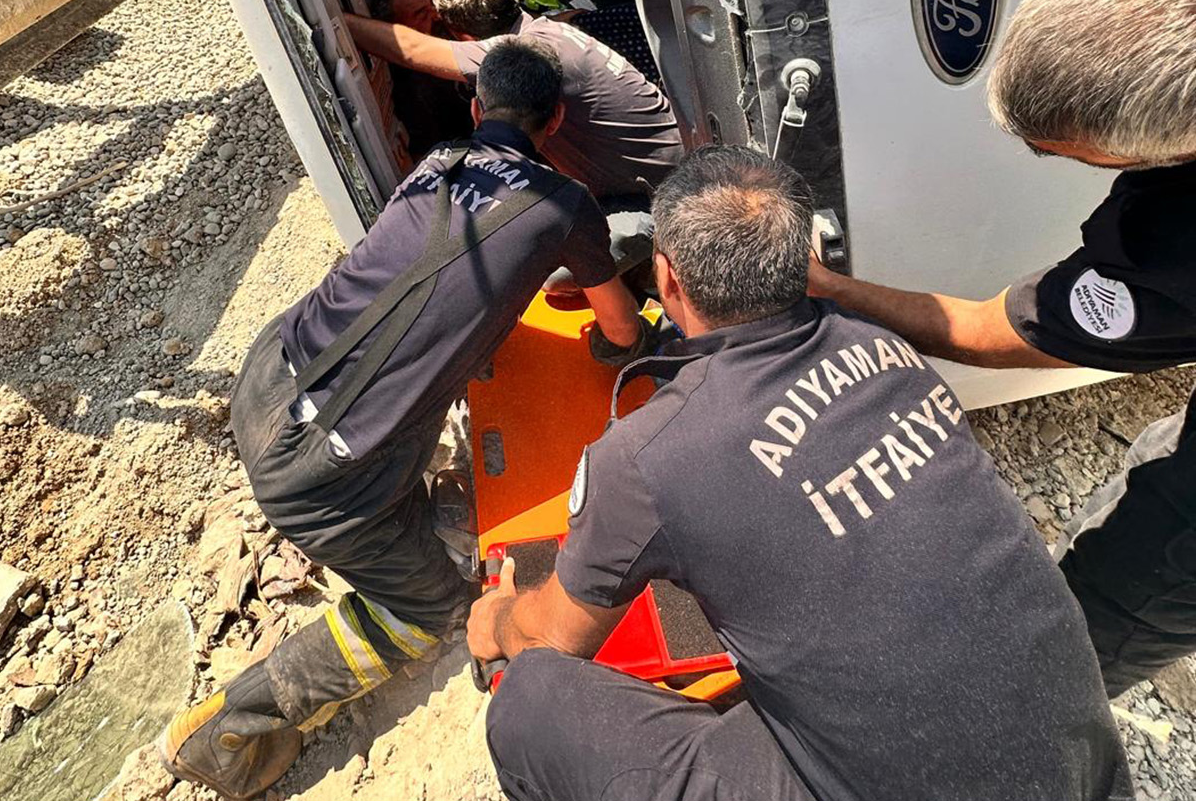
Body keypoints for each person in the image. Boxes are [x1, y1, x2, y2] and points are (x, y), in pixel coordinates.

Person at [467, 145, 1133, 801]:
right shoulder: (885, 347)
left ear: (667, 279)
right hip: (1083, 766)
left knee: (530, 701)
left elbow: (554, 637)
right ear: (804, 262)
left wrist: (497, 620)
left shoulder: (647, 458)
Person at [158, 39, 650, 800]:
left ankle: (408, 520)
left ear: (480, 110)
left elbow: (434, 275)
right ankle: (232, 729)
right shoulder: (563, 205)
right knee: (434, 612)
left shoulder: (439, 161)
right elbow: (621, 333)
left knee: (431, 474)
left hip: (265, 382)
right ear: (555, 120)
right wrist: (637, 333)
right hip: (321, 473)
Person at [808, 0, 1196, 697]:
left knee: (1129, 590)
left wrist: (831, 289)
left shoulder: (1171, 252)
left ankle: (1032, 703)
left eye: (1060, 153)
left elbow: (990, 331)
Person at [344, 0, 685, 291]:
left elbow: (415, 50)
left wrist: (336, 21)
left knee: (554, 279)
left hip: (661, 194)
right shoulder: (547, 30)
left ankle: (649, 269)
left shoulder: (525, 51)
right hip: (667, 164)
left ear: (463, 36)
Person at [371, 0, 474, 159]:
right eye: (421, 14)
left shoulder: (458, 30)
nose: (435, 15)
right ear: (398, 29)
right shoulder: (413, 91)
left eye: (431, 5)